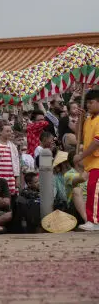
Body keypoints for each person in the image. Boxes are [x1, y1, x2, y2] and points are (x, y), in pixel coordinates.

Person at [74, 89, 99, 231]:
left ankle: (93, 221)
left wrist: (81, 156)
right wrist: (81, 119)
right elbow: (78, 136)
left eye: (91, 102)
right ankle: (93, 220)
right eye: (87, 102)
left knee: (93, 190)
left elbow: (97, 142)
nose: (88, 105)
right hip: (92, 163)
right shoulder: (89, 119)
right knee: (92, 190)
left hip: (97, 162)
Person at [0, 122, 21, 195]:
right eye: (7, 131)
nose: (10, 133)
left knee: (11, 196)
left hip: (10, 177)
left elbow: (16, 163)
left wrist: (17, 177)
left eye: (10, 131)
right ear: (0, 132)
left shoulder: (13, 146)